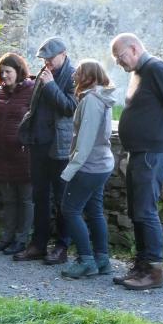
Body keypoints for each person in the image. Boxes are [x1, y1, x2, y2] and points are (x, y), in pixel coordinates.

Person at [111, 33, 163, 290]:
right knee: (136, 211)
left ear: (133, 49)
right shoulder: (139, 72)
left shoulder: (156, 68)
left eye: (120, 57)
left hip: (152, 153)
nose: (119, 64)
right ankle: (142, 266)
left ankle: (154, 272)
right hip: (139, 151)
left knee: (145, 211)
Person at [13, 37, 77, 265]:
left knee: (62, 199)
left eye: (50, 58)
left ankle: (61, 247)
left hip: (59, 147)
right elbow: (34, 106)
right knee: (39, 196)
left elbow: (71, 108)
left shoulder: (73, 75)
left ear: (63, 54)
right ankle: (38, 244)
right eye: (44, 59)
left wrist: (50, 86)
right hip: (38, 144)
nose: (47, 62)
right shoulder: (44, 72)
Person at [59, 60, 118, 279]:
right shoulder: (101, 97)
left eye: (79, 73)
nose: (74, 75)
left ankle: (86, 260)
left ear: (90, 77)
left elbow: (85, 141)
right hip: (101, 164)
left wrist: (70, 170)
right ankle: (102, 260)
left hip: (89, 166)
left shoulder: (92, 101)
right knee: (94, 211)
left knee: (70, 210)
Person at [0, 53, 35, 255]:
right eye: (2, 71)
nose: (4, 75)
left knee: (26, 200)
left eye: (8, 71)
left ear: (19, 71)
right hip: (1, 155)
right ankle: (7, 238)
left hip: (24, 157)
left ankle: (22, 240)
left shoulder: (32, 92)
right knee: (9, 200)